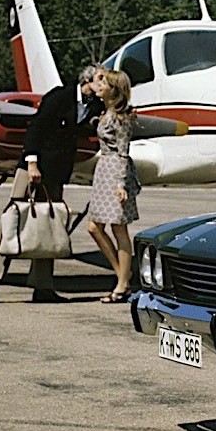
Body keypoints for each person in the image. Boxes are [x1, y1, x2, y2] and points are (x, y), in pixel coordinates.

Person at [0, 64, 103, 303]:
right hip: (34, 167)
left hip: (57, 172)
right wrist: (32, 163)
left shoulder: (95, 105)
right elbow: (35, 129)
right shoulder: (59, 97)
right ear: (87, 81)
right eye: (100, 79)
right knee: (13, 218)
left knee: (49, 226)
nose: (103, 83)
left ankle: (43, 286)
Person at [87, 68, 141, 303]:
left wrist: (121, 184)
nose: (99, 85)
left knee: (119, 228)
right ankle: (123, 277)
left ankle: (122, 284)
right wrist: (100, 77)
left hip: (115, 172)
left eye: (105, 83)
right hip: (103, 172)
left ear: (114, 90)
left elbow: (123, 152)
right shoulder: (106, 112)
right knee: (94, 227)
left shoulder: (120, 120)